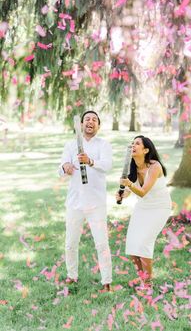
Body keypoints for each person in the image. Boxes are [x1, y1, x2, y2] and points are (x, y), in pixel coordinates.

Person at [59, 111, 112, 291]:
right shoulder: (70, 145)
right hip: (75, 202)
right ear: (81, 124)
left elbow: (107, 165)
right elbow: (62, 167)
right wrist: (65, 167)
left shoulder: (103, 145)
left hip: (96, 203)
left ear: (98, 125)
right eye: (87, 119)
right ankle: (71, 276)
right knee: (70, 243)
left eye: (94, 120)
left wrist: (90, 161)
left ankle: (106, 281)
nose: (90, 122)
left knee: (102, 243)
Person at [116, 135, 172, 288]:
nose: (133, 145)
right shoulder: (131, 167)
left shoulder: (155, 166)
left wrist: (129, 185)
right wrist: (122, 194)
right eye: (132, 143)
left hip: (160, 207)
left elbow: (143, 191)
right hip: (143, 207)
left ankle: (147, 284)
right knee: (133, 245)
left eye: (137, 143)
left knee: (144, 243)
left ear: (146, 150)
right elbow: (129, 191)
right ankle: (142, 278)